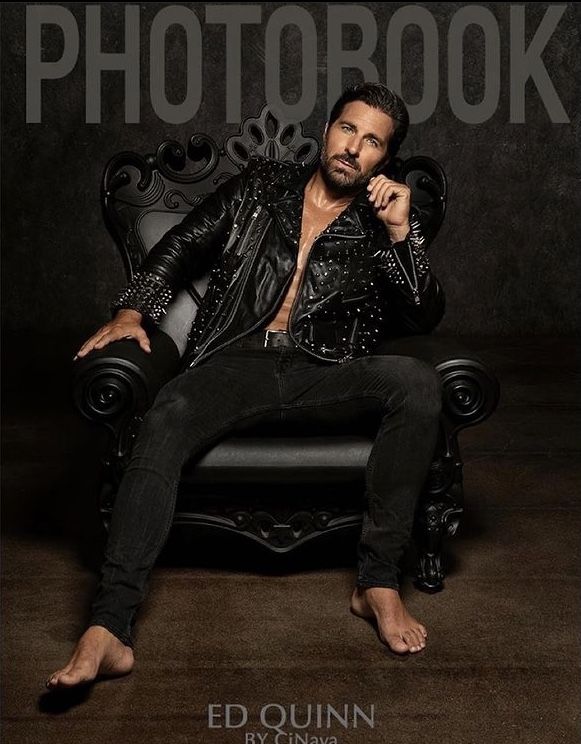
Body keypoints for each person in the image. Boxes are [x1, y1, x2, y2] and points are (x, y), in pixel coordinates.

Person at [46, 82, 446, 690]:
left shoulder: (382, 216)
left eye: (372, 142)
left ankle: (379, 583)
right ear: (327, 129)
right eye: (347, 129)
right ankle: (109, 628)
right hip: (236, 361)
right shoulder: (260, 187)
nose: (353, 147)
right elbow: (182, 245)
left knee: (416, 384)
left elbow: (422, 316)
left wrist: (400, 233)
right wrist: (131, 311)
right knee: (166, 414)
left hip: (327, 371)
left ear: (383, 160)